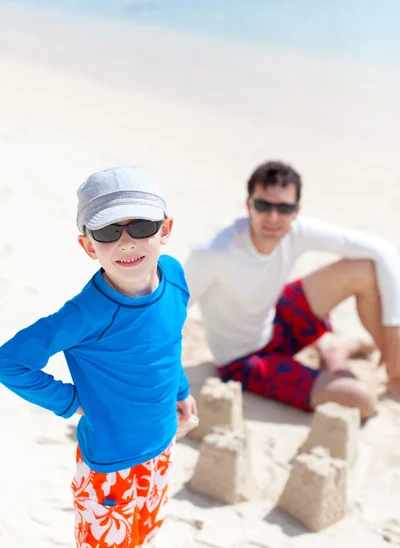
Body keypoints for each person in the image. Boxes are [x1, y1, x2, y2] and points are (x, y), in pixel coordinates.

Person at [0, 165, 196, 548]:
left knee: (145, 536)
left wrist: (181, 391)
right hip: (110, 465)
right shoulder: (84, 314)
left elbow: (168, 343)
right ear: (89, 246)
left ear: (166, 230)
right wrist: (73, 402)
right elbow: (10, 362)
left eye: (141, 227)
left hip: (162, 445)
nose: (126, 243)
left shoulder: (173, 276)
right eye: (108, 232)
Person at [185, 160, 400, 419]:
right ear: (248, 205)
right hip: (243, 360)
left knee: (363, 270)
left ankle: (395, 371)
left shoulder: (297, 231)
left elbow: (383, 251)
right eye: (263, 205)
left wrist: (393, 329)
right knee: (363, 402)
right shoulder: (214, 252)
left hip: (275, 318)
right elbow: (171, 314)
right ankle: (334, 355)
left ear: (296, 210)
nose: (273, 218)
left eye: (284, 208)